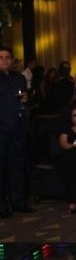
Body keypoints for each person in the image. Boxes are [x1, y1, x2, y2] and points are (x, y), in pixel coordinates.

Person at [0, 45, 30, 216]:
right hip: (2, 128)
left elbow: (24, 98)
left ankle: (18, 201)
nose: (5, 60)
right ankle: (2, 205)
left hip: (18, 126)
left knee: (17, 165)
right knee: (2, 167)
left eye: (7, 57)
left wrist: (25, 98)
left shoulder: (19, 77)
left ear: (12, 60)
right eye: (1, 57)